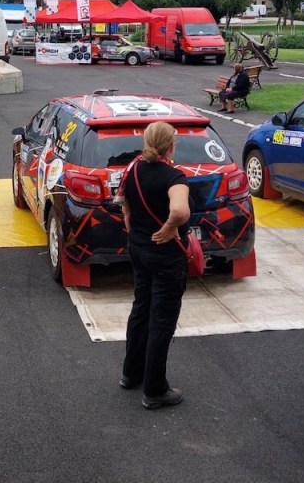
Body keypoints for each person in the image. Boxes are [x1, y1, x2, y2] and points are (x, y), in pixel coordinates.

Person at [118, 121, 191, 410]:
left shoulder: (132, 169)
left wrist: (133, 228)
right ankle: (155, 389)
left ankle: (131, 373)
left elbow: (125, 206)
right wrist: (171, 226)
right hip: (165, 256)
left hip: (139, 248)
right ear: (171, 145)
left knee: (141, 308)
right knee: (162, 320)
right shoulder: (175, 177)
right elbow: (180, 210)